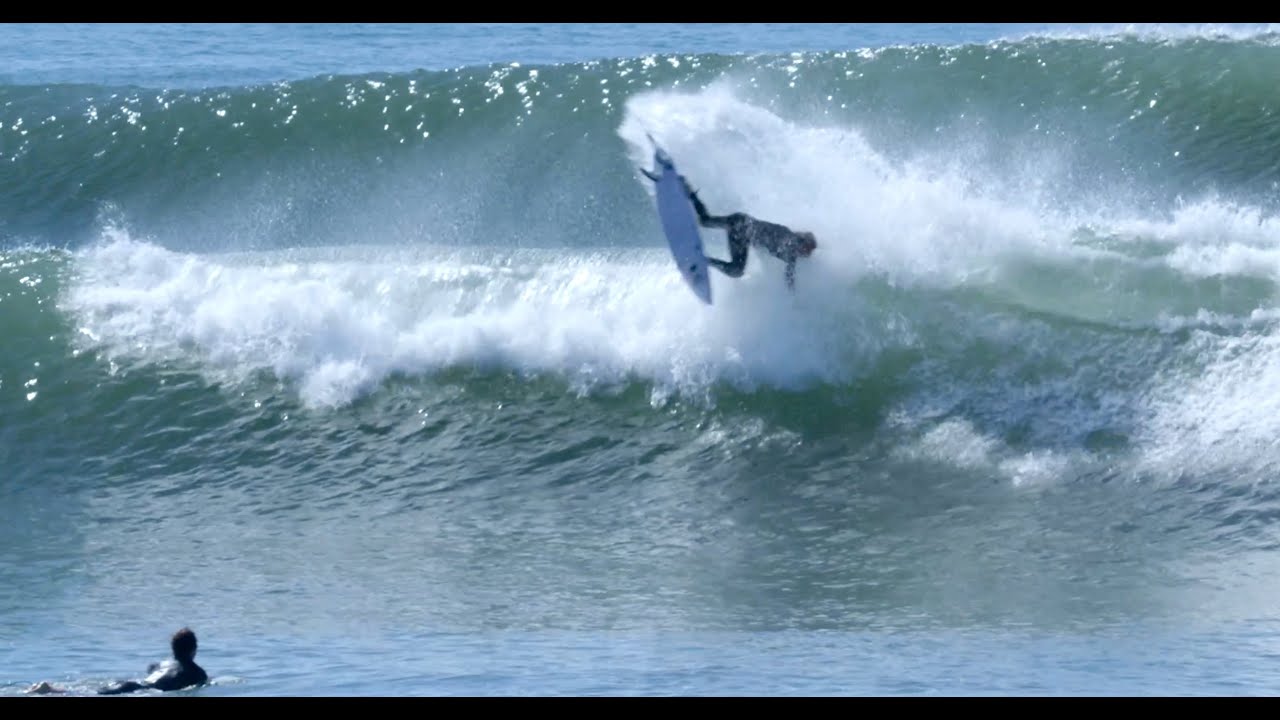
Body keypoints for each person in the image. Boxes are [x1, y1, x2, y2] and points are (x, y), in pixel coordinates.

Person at [679, 176, 818, 291]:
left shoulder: (790, 252)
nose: (807, 255)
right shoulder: (788, 240)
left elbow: (789, 274)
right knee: (736, 270)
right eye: (807, 250)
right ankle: (702, 260)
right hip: (742, 229)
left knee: (705, 221)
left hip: (741, 221)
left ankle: (690, 193)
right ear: (801, 242)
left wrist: (792, 295)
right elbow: (789, 266)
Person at [26, 627, 209, 696]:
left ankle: (52, 690)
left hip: (132, 684)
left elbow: (151, 670)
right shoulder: (197, 672)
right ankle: (50, 690)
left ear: (173, 648)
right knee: (91, 694)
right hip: (137, 690)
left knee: (93, 692)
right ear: (194, 649)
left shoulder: (160, 664)